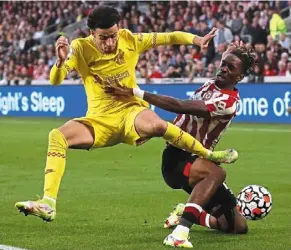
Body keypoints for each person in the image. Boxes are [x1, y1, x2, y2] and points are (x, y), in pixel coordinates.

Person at [15, 6, 238, 222]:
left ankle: (208, 155)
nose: (111, 42)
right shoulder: (80, 48)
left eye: (113, 35)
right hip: (98, 121)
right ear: (92, 33)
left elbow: (168, 37)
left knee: (158, 126)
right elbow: (55, 80)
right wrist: (60, 61)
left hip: (131, 113)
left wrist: (196, 40)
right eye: (104, 38)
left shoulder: (129, 39)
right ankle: (48, 203)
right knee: (57, 136)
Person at [105, 41, 257, 248]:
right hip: (178, 159)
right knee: (217, 174)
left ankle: (183, 211)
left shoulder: (228, 102)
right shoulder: (210, 84)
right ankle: (180, 234)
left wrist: (135, 92)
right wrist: (233, 50)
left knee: (236, 226)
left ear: (239, 77)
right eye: (223, 63)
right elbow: (181, 115)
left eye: (231, 67)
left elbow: (181, 106)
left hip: (197, 161)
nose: (223, 68)